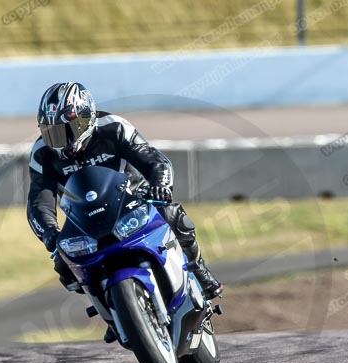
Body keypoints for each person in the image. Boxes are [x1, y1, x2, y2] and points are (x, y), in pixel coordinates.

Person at [27, 82, 223, 340]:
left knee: (174, 216)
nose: (62, 141)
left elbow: (154, 159)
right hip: (86, 217)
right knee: (64, 263)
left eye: (67, 130)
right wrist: (50, 233)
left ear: (86, 118)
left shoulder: (113, 127)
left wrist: (160, 186)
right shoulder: (42, 153)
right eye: (54, 133)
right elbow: (39, 201)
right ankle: (113, 310)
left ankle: (198, 270)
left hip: (134, 199)